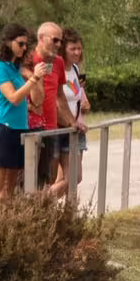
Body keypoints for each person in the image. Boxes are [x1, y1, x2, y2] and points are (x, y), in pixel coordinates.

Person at [0, 23, 44, 206]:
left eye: (26, 44)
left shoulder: (14, 68)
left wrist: (35, 77)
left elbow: (37, 99)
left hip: (20, 130)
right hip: (3, 128)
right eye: (20, 43)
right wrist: (33, 78)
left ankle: (5, 223)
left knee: (11, 185)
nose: (24, 48)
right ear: (8, 42)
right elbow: (13, 98)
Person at [27, 21, 68, 198]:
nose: (59, 45)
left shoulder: (58, 62)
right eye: (55, 40)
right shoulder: (27, 60)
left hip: (51, 130)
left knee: (46, 182)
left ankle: (39, 222)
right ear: (40, 38)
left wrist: (73, 121)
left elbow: (60, 95)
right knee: (23, 181)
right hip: (28, 130)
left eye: (61, 41)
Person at [60, 28, 90, 197]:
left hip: (77, 128)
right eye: (73, 49)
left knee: (75, 178)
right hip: (63, 128)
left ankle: (68, 217)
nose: (77, 52)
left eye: (79, 48)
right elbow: (58, 99)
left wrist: (84, 103)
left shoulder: (75, 70)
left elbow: (77, 95)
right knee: (69, 178)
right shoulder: (57, 70)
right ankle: (38, 205)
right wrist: (71, 121)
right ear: (63, 49)